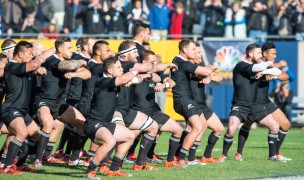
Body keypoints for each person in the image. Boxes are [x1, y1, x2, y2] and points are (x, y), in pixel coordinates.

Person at [219, 44, 281, 163]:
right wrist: (268, 65)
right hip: (240, 105)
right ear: (251, 54)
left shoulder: (259, 67)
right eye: (258, 53)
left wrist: (264, 72)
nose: (260, 55)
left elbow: (277, 71)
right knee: (231, 129)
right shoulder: (241, 65)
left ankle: (272, 156)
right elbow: (255, 69)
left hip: (255, 105)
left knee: (275, 126)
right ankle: (224, 155)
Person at [236, 42, 292, 162]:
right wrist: (274, 67)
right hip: (253, 102)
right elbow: (258, 69)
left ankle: (276, 154)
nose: (275, 55)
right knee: (247, 124)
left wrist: (273, 74)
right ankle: (238, 153)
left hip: (266, 101)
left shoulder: (268, 66)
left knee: (286, 125)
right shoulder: (256, 63)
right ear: (265, 54)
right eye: (273, 53)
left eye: (275, 53)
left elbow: (285, 76)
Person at [83, 57, 137, 178]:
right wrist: (134, 72)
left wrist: (135, 79)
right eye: (118, 67)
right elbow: (125, 78)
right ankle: (89, 171)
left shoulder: (113, 81)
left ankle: (114, 169)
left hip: (105, 123)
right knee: (110, 141)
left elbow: (127, 80)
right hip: (93, 123)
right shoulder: (103, 81)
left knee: (130, 136)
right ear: (109, 70)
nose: (122, 69)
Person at [132, 50, 183, 167]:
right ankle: (111, 162)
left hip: (153, 111)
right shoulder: (135, 73)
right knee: (129, 137)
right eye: (152, 61)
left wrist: (164, 85)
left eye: (155, 61)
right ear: (144, 62)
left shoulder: (157, 75)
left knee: (178, 130)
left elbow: (172, 82)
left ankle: (169, 161)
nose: (155, 64)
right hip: (138, 112)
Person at [0, 41, 45, 174]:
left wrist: (40, 70)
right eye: (30, 53)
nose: (32, 56)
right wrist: (52, 50)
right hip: (11, 108)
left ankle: (19, 164)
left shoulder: (21, 67)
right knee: (21, 133)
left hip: (21, 111)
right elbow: (36, 64)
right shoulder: (12, 66)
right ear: (20, 54)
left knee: (36, 134)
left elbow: (36, 68)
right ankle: (6, 167)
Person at [171, 39, 214, 166]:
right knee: (197, 127)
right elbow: (206, 71)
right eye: (193, 50)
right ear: (184, 50)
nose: (195, 52)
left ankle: (186, 157)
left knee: (202, 124)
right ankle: (181, 158)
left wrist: (208, 74)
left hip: (189, 99)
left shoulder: (183, 62)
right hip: (182, 100)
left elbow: (207, 75)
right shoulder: (181, 62)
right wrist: (210, 68)